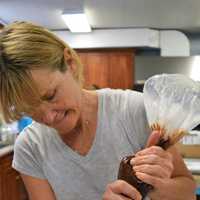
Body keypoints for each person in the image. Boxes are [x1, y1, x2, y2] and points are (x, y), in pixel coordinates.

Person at [0, 21, 196, 200]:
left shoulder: (134, 110)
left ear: (69, 63)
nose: (48, 117)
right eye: (30, 109)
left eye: (51, 95)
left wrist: (156, 184)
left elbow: (187, 191)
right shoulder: (30, 146)